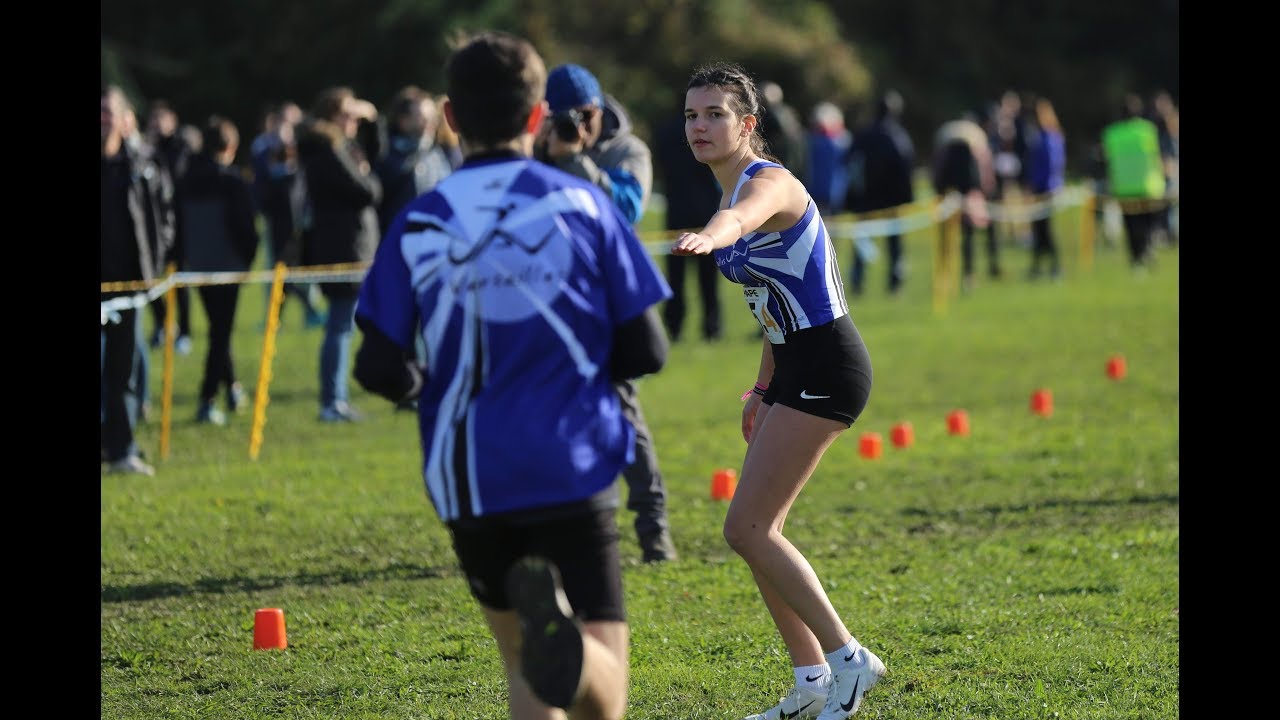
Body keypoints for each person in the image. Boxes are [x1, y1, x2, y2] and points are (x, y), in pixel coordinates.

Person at [351, 30, 671, 718]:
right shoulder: (583, 206)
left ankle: (557, 646)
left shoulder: (419, 222)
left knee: (523, 664)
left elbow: (376, 364)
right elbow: (647, 348)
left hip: (468, 473)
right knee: (599, 687)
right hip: (571, 459)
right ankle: (580, 654)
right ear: (536, 116)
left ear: (450, 117)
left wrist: (431, 391)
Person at [671, 61, 885, 720]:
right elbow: (771, 297)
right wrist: (763, 386)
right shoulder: (728, 188)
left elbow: (742, 223)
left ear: (749, 124)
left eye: (714, 114)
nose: (700, 126)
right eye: (691, 115)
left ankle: (851, 659)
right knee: (761, 532)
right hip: (792, 366)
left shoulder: (768, 185)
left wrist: (713, 235)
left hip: (828, 366)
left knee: (747, 527)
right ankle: (812, 679)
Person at [535, 63, 677, 563]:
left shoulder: (627, 150)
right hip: (553, 299)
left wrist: (574, 160)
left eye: (584, 114)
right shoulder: (541, 150)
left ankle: (653, 531)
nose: (578, 124)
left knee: (622, 418)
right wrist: (546, 154)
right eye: (564, 116)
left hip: (609, 303)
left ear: (599, 108)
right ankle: (570, 533)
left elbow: (623, 210)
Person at [296, 86, 383, 422]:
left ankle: (337, 399)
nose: (353, 121)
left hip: (350, 243)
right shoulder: (327, 150)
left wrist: (373, 123)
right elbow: (368, 190)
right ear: (332, 116)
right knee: (340, 326)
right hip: (342, 246)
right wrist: (365, 177)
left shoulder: (339, 147)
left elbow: (376, 160)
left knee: (343, 325)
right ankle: (332, 401)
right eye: (347, 114)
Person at [102, 84, 174, 476]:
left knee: (123, 371)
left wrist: (156, 258)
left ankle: (122, 449)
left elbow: (163, 214)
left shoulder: (140, 163)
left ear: (125, 118)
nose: (103, 120)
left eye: (109, 111)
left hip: (127, 286)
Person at [178, 115, 259, 425]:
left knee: (218, 329)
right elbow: (246, 229)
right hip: (226, 269)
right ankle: (207, 397)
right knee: (220, 333)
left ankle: (233, 388)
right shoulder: (232, 181)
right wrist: (247, 262)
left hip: (197, 267)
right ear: (230, 147)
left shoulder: (186, 179)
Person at [250, 100, 326, 328]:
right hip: (278, 221)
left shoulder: (306, 147)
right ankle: (276, 317)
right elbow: (260, 185)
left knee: (301, 271)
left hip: (304, 218)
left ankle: (309, 313)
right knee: (278, 270)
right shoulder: (264, 148)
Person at [654, 104, 723, 343]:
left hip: (677, 209)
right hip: (705, 210)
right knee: (708, 277)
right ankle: (712, 326)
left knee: (676, 276)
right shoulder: (708, 134)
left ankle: (674, 326)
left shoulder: (665, 131)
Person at [844, 90, 916, 295]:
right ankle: (895, 282)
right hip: (891, 200)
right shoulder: (899, 136)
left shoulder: (864, 133)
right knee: (894, 243)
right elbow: (906, 168)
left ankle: (857, 282)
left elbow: (848, 160)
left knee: (862, 240)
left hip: (867, 198)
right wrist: (907, 197)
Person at [373, 84, 457, 235]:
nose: (430, 124)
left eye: (432, 118)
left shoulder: (438, 155)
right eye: (423, 118)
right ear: (403, 120)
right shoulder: (384, 157)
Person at [144, 99, 194, 354]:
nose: (156, 124)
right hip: (155, 224)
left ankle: (185, 331)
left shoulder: (181, 148)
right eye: (153, 120)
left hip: (180, 223)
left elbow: (174, 177)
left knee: (181, 280)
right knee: (149, 279)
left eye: (161, 119)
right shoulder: (146, 149)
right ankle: (163, 324)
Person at [931, 115, 996, 292]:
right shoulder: (975, 143)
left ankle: (945, 272)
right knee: (968, 237)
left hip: (948, 195)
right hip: (968, 196)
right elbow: (981, 175)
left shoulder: (947, 142)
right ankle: (968, 274)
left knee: (948, 238)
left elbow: (938, 173)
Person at [1101, 94, 1165, 269]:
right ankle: (1147, 250)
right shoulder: (1147, 130)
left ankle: (1136, 259)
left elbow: (1107, 160)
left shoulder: (1112, 133)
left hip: (1124, 187)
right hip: (1148, 186)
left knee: (1131, 226)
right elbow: (1156, 156)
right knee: (1149, 223)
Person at [1025, 96, 1066, 280]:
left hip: (1046, 190)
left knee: (1045, 230)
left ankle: (1055, 266)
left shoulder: (1050, 137)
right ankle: (1038, 266)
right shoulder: (1038, 137)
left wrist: (1045, 187)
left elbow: (1052, 166)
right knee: (1038, 230)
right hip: (1038, 189)